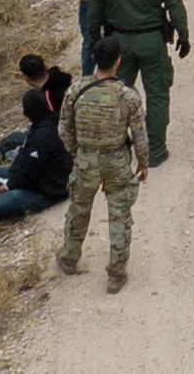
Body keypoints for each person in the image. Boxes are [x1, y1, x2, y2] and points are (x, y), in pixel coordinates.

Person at [88, 0, 190, 168]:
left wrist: (96, 43)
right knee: (156, 94)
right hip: (151, 41)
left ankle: (118, 148)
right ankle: (155, 151)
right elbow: (176, 8)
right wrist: (184, 38)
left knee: (118, 96)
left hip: (118, 43)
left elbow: (94, 14)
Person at [57, 37, 148, 294]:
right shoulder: (128, 96)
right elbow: (140, 136)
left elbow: (64, 130)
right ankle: (116, 275)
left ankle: (69, 259)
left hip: (86, 160)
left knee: (78, 210)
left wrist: (78, 152)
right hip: (117, 161)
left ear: (94, 59)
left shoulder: (76, 91)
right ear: (118, 61)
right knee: (119, 216)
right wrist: (143, 163)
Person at [0, 89, 73, 237]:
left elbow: (29, 171)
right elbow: (28, 166)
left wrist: (9, 184)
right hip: (46, 179)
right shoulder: (52, 123)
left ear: (26, 114)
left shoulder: (40, 137)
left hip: (47, 192)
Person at [0, 54, 74, 169]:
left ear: (26, 78)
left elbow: (52, 125)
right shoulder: (63, 80)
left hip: (60, 137)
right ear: (45, 66)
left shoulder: (46, 98)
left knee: (12, 139)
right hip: (69, 131)